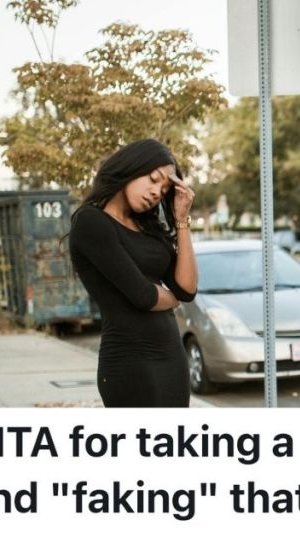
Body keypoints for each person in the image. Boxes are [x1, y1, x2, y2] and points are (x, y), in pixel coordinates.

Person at [68, 138, 198, 407]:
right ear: (132, 167)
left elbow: (186, 289)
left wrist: (181, 219)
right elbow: (143, 296)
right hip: (130, 362)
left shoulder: (148, 228)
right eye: (152, 179)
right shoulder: (91, 222)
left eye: (163, 191)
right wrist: (169, 299)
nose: (155, 193)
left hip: (172, 360)